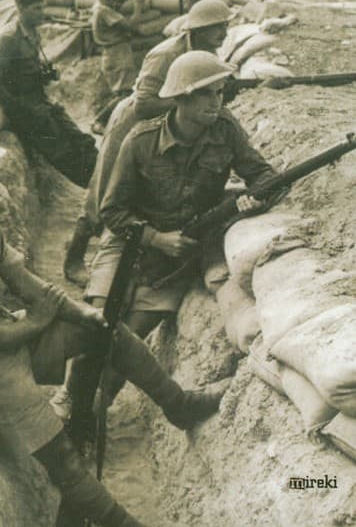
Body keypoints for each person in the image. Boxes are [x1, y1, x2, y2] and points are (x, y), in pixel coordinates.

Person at [0, 131, 229, 527]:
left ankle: (179, 405)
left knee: (106, 330)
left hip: (10, 334)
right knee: (63, 460)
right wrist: (36, 323)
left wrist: (78, 312)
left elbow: (23, 281)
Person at [58, 51, 274, 431]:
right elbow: (112, 211)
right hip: (128, 241)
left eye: (219, 92)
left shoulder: (225, 130)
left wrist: (255, 199)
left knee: (133, 334)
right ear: (181, 99)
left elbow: (264, 175)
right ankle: (68, 402)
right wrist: (156, 238)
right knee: (96, 325)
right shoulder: (141, 141)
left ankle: (92, 414)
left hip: (177, 258)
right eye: (206, 94)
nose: (216, 102)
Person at [63, 0, 232, 286]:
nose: (224, 33)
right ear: (198, 29)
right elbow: (143, 105)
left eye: (225, 26)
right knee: (104, 190)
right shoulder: (166, 54)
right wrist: (188, 101)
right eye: (217, 27)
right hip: (132, 124)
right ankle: (75, 255)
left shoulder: (207, 53)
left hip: (164, 128)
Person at [0, 0, 97, 188]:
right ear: (21, 8)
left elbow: (26, 69)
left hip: (40, 100)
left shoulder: (32, 32)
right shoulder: (8, 39)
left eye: (43, 7)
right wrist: (19, 110)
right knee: (63, 151)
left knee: (81, 139)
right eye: (36, 8)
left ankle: (104, 178)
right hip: (25, 107)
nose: (42, 12)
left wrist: (44, 74)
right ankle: (94, 187)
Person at [90, 0, 145, 134]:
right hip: (117, 54)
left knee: (123, 92)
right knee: (125, 93)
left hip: (115, 53)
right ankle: (99, 121)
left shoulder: (101, 8)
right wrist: (138, 6)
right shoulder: (104, 11)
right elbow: (131, 26)